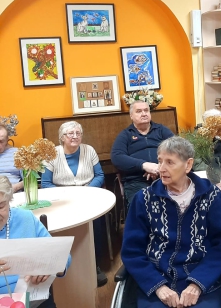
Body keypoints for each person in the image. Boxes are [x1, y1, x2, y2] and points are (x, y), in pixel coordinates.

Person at [121, 136, 221, 307]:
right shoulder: (144, 199)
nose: (161, 168)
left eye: (170, 162)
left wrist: (197, 284)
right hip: (156, 277)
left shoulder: (211, 196)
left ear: (188, 165)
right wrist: (158, 286)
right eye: (160, 161)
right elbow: (132, 250)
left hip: (203, 276)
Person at [41, 121, 107, 287]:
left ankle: (95, 263)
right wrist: (68, 195)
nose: (75, 136)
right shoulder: (52, 154)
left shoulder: (89, 150)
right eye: (70, 133)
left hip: (88, 195)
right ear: (62, 137)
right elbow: (45, 183)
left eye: (78, 133)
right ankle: (66, 264)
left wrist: (87, 191)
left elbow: (100, 175)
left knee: (95, 221)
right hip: (61, 200)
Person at [0, 176, 71, 307]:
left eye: (0, 206)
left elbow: (63, 256)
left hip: (33, 298)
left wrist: (49, 267)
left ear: (9, 201)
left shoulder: (25, 218)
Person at [111, 100, 174, 206]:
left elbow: (177, 150)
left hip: (165, 175)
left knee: (175, 202)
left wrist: (159, 167)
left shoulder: (161, 130)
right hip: (136, 181)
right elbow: (117, 157)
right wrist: (144, 166)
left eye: (146, 110)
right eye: (139, 111)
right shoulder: (125, 135)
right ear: (131, 116)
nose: (144, 114)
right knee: (143, 206)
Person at [0, 124, 23, 193]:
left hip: (14, 194)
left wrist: (14, 188)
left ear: (7, 140)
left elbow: (29, 179)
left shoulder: (18, 154)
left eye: (1, 141)